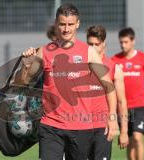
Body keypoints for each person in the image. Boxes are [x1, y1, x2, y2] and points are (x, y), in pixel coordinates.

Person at [14, 3, 118, 160]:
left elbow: (108, 86)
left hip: (81, 127)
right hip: (50, 126)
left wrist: (112, 118)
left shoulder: (89, 52)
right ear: (56, 23)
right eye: (62, 24)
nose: (66, 29)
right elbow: (21, 82)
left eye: (70, 24)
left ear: (77, 24)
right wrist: (26, 65)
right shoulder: (44, 51)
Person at [111, 27, 144, 160]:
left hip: (139, 105)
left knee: (137, 137)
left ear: (133, 41)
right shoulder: (115, 60)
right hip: (122, 107)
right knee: (128, 139)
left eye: (126, 42)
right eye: (121, 42)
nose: (123, 45)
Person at [86, 25, 128, 159]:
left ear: (103, 44)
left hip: (102, 128)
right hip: (80, 127)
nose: (92, 48)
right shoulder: (78, 66)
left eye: (96, 44)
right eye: (89, 44)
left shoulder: (115, 68)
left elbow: (121, 101)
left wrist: (124, 132)